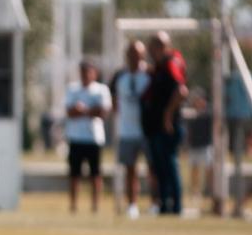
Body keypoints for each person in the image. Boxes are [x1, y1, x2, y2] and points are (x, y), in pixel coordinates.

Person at [141, 31, 188, 215]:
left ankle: (176, 206)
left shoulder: (170, 64)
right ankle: (165, 205)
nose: (150, 51)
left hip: (167, 126)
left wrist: (168, 115)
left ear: (161, 47)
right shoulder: (159, 67)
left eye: (152, 47)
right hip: (156, 126)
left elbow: (181, 91)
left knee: (169, 165)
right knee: (160, 167)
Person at [110, 40, 151, 220]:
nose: (135, 57)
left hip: (148, 131)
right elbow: (113, 99)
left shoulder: (150, 74)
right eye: (131, 54)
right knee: (130, 170)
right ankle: (132, 205)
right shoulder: (119, 76)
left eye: (138, 54)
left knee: (153, 170)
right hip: (126, 131)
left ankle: (155, 204)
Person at [64, 59, 112, 214]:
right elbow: (70, 112)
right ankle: (73, 206)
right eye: (82, 72)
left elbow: (103, 112)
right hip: (76, 138)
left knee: (95, 174)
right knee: (74, 174)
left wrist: (83, 111)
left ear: (94, 73)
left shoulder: (101, 90)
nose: (85, 75)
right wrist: (90, 111)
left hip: (94, 138)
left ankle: (95, 206)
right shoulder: (72, 89)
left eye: (88, 72)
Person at [185, 90, 214, 210]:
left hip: (206, 145)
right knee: (194, 169)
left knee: (209, 168)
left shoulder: (208, 114)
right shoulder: (191, 114)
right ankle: (195, 191)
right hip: (194, 146)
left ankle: (209, 189)